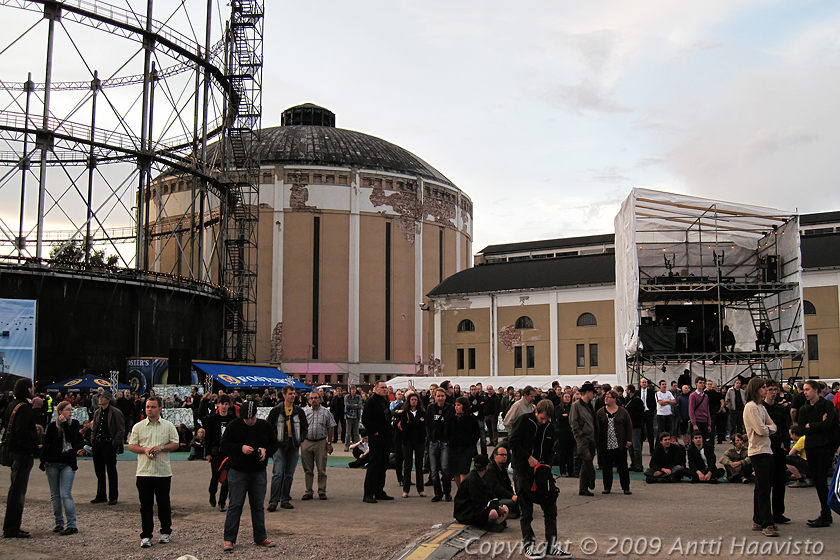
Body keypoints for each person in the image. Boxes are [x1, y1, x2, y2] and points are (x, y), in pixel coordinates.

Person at [509, 399, 570, 559]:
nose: (544, 422)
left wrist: (547, 465)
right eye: (542, 418)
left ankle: (551, 545)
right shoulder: (524, 420)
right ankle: (529, 545)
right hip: (523, 470)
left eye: (546, 420)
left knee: (551, 509)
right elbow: (513, 442)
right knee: (526, 510)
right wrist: (528, 457)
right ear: (536, 412)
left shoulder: (549, 427)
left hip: (542, 471)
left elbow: (551, 449)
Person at [220, 400, 278, 552]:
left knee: (258, 505)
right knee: (235, 505)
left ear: (256, 414)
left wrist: (266, 450)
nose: (249, 421)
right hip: (238, 471)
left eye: (251, 418)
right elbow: (224, 444)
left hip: (258, 471)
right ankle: (229, 539)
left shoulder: (264, 426)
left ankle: (260, 537)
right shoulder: (234, 425)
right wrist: (240, 448)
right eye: (246, 418)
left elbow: (275, 444)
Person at [127, 396, 180, 548]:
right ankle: (146, 535)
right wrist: (144, 450)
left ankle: (165, 532)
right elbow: (131, 445)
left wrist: (162, 448)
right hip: (144, 472)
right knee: (145, 505)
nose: (149, 409)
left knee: (163, 503)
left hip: (162, 472)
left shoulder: (168, 426)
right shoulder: (138, 426)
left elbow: (175, 443)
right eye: (147, 407)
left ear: (160, 409)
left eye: (152, 407)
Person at [798, 379, 837, 528]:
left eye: (807, 389)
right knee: (816, 480)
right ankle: (825, 513)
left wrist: (811, 425)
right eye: (804, 390)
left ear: (815, 390)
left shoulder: (826, 404)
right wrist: (817, 425)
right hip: (811, 447)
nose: (805, 392)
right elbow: (801, 429)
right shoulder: (804, 409)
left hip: (824, 446)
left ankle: (826, 515)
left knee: (822, 481)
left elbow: (828, 424)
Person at [40, 401, 84, 536]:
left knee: (66, 494)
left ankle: (72, 524)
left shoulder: (74, 424)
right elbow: (47, 443)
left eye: (71, 410)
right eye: (68, 410)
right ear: (60, 412)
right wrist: (43, 460)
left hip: (67, 463)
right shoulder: (52, 426)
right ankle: (58, 523)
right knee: (55, 495)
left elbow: (72, 440)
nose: (71, 412)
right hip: (52, 462)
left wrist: (65, 424)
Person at [3, 378, 39, 539]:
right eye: (31, 387)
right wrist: (31, 449)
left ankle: (11, 526)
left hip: (12, 451)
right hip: (21, 453)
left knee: (15, 490)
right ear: (27, 389)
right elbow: (22, 432)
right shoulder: (24, 407)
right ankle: (12, 528)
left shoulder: (12, 405)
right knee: (18, 492)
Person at [743, 377, 777, 537]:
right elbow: (762, 430)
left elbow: (772, 425)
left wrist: (767, 429)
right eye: (763, 387)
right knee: (763, 488)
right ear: (756, 389)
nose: (766, 390)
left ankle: (758, 519)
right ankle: (766, 523)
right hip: (758, 451)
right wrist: (768, 429)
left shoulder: (761, 407)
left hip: (766, 449)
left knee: (763, 487)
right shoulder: (751, 407)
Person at [267, 386, 308, 511]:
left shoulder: (299, 411)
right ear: (284, 395)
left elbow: (305, 427)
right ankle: (273, 501)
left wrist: (300, 438)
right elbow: (269, 427)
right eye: (290, 393)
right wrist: (273, 442)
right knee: (278, 473)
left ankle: (285, 499)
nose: (293, 395)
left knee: (289, 474)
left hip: (293, 445)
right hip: (279, 445)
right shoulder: (276, 411)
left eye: (294, 393)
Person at [453, 454, 509, 532]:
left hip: (475, 509)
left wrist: (498, 506)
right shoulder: (472, 480)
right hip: (466, 513)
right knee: (493, 514)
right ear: (486, 467)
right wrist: (496, 508)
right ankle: (490, 524)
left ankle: (493, 523)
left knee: (505, 508)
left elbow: (490, 494)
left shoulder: (480, 477)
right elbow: (479, 503)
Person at [90, 390, 125, 506]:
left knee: (111, 471)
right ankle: (101, 495)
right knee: (99, 471)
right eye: (99, 397)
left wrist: (114, 444)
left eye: (103, 397)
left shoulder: (115, 412)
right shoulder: (97, 413)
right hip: (98, 444)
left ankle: (113, 496)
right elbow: (94, 429)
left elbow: (121, 430)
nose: (100, 398)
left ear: (108, 399)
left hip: (109, 444)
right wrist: (93, 441)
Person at [763, 379, 790, 526]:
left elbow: (785, 428)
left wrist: (785, 444)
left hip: (778, 448)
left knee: (780, 482)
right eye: (771, 389)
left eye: (775, 390)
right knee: (767, 483)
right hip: (766, 448)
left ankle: (778, 513)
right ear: (765, 390)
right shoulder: (760, 408)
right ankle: (766, 514)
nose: (773, 392)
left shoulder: (780, 409)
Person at [596, 390, 633, 495]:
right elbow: (597, 427)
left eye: (609, 397)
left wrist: (629, 440)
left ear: (614, 399)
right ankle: (607, 487)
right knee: (606, 466)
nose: (606, 399)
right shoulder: (600, 412)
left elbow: (629, 426)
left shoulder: (622, 411)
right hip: (606, 444)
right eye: (605, 397)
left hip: (619, 444)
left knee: (622, 466)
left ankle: (626, 487)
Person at [300, 390, 335, 500]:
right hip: (307, 441)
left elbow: (331, 427)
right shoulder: (305, 412)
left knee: (321, 468)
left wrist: (329, 443)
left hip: (321, 442)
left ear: (320, 399)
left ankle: (322, 491)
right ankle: (308, 491)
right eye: (311, 398)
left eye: (315, 398)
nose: (313, 400)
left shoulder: (326, 412)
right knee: (308, 469)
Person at [362, 380, 394, 503]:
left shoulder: (385, 400)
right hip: (376, 437)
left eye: (386, 387)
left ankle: (379, 491)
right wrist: (373, 431)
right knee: (374, 465)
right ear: (376, 389)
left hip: (386, 437)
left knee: (383, 465)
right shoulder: (371, 401)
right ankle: (368, 493)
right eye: (382, 387)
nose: (384, 389)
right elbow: (365, 419)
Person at [205, 394, 237, 512]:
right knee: (215, 475)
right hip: (216, 452)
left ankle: (222, 502)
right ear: (218, 405)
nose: (224, 406)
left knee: (226, 478)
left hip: (228, 453)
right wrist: (207, 453)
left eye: (226, 404)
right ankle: (212, 493)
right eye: (222, 404)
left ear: (229, 405)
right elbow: (208, 437)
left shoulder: (232, 419)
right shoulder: (212, 419)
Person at [569, 383, 598, 497]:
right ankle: (592, 479)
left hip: (591, 438)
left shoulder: (590, 405)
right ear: (587, 392)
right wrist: (580, 435)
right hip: (583, 438)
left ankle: (583, 488)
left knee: (585, 465)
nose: (593, 395)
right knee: (587, 461)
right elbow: (573, 422)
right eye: (592, 393)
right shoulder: (576, 406)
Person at [426, 387, 454, 502]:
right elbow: (427, 424)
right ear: (435, 397)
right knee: (433, 470)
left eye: (442, 396)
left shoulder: (450, 409)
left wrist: (449, 440)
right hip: (433, 442)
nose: (440, 398)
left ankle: (447, 492)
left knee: (445, 469)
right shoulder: (430, 408)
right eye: (438, 396)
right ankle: (438, 493)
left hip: (445, 442)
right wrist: (429, 438)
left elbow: (452, 425)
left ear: (445, 397)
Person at [397, 392, 426, 498]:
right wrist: (416, 423)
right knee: (407, 465)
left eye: (415, 399)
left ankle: (421, 489)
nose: (414, 401)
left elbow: (423, 425)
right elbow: (404, 426)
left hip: (419, 441)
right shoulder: (404, 412)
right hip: (407, 441)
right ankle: (406, 489)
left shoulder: (422, 412)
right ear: (409, 401)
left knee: (419, 465)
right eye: (412, 399)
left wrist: (412, 423)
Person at [450, 397, 480, 488]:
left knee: (464, 472)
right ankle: (460, 490)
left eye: (459, 405)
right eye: (455, 405)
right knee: (456, 472)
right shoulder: (453, 419)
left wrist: (471, 444)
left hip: (466, 449)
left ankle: (464, 492)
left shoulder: (471, 419)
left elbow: (476, 434)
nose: (456, 407)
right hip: (454, 448)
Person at [483, 444, 519, 518]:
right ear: (495, 456)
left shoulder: (503, 469)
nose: (504, 456)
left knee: (521, 501)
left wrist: (513, 496)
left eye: (506, 454)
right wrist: (511, 496)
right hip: (495, 499)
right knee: (517, 504)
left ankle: (509, 513)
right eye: (502, 455)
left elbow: (508, 485)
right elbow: (496, 489)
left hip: (503, 497)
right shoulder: (490, 470)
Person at [623, 385, 645, 472]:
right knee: (630, 447)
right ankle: (633, 464)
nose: (625, 391)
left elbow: (641, 413)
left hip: (636, 426)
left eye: (626, 390)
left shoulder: (637, 401)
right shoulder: (626, 400)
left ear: (630, 391)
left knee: (636, 447)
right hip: (628, 426)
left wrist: (629, 414)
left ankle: (639, 465)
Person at [554, 391, 575, 476]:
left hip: (571, 431)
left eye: (568, 397)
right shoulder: (558, 407)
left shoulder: (572, 407)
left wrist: (567, 416)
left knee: (570, 452)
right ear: (562, 398)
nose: (567, 398)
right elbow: (559, 417)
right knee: (563, 452)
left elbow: (572, 418)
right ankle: (562, 471)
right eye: (565, 397)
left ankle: (571, 471)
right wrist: (565, 417)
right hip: (562, 432)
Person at [689, 377, 712, 446]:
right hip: (697, 420)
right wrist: (694, 423)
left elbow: (707, 410)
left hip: (704, 420)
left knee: (704, 441)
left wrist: (709, 424)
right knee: (695, 442)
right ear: (696, 384)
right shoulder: (693, 396)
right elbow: (691, 410)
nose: (702, 384)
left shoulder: (706, 396)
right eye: (700, 383)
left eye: (703, 383)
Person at [638, 378, 657, 456]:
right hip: (641, 414)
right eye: (643, 382)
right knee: (641, 432)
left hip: (648, 413)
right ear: (640, 383)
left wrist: (652, 412)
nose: (644, 383)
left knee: (650, 432)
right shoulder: (638, 393)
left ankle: (652, 450)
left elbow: (654, 403)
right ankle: (640, 450)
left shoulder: (651, 392)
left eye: (645, 382)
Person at [344, 385, 363, 451]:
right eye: (352, 390)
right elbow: (347, 405)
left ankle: (357, 446)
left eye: (354, 390)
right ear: (350, 390)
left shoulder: (358, 397)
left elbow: (360, 406)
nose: (353, 391)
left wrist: (352, 406)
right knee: (348, 432)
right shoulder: (347, 397)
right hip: (348, 416)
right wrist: (355, 405)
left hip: (356, 416)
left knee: (356, 432)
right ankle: (347, 446)